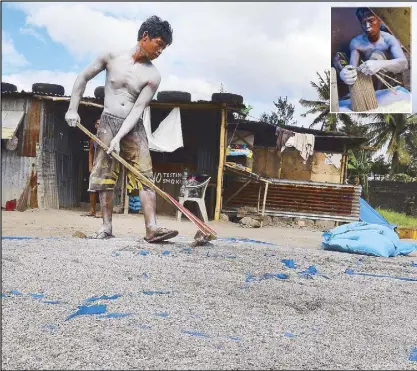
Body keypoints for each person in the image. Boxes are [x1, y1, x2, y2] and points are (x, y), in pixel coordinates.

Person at [65, 15, 178, 242]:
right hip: (108, 121)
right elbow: (83, 77)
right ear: (145, 36)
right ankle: (106, 227)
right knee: (104, 176)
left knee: (145, 175)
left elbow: (138, 109)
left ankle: (152, 229)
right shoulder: (111, 56)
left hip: (133, 126)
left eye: (164, 48)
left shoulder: (153, 75)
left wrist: (119, 137)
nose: (160, 51)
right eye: (159, 44)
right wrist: (72, 109)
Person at [339, 7, 408, 86]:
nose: (367, 26)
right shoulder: (356, 43)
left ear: (380, 20)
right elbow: (353, 68)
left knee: (378, 55)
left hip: (389, 83)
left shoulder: (389, 39)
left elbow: (404, 64)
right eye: (363, 22)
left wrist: (379, 64)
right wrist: (346, 75)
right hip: (369, 84)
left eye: (371, 20)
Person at [85, 118, 102, 217]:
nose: (99, 126)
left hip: (105, 166)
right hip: (96, 165)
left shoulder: (108, 138)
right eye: (98, 124)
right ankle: (92, 210)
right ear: (95, 125)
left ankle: (102, 211)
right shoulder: (93, 139)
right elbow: (90, 152)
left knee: (103, 188)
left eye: (101, 124)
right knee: (92, 188)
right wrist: (90, 165)